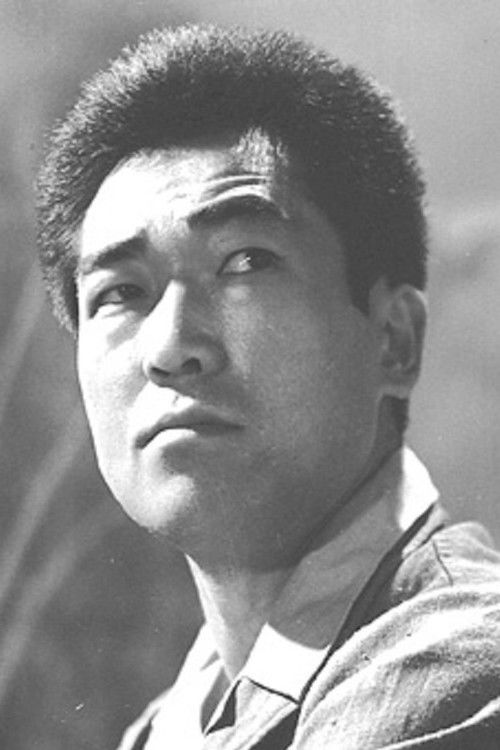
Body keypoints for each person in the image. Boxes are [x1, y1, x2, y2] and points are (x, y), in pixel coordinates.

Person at [36, 25, 500, 750]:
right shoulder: (166, 727)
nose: (170, 347)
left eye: (245, 262)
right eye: (121, 291)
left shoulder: (456, 673)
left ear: (394, 339)